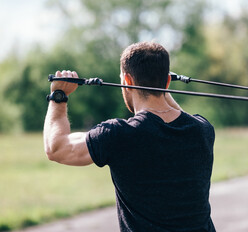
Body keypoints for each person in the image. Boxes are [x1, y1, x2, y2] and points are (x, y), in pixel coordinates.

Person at [43, 42, 216, 231]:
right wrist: (159, 82)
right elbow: (179, 116)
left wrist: (58, 95)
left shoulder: (119, 135)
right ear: (167, 82)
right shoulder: (203, 130)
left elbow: (56, 148)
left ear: (127, 80)